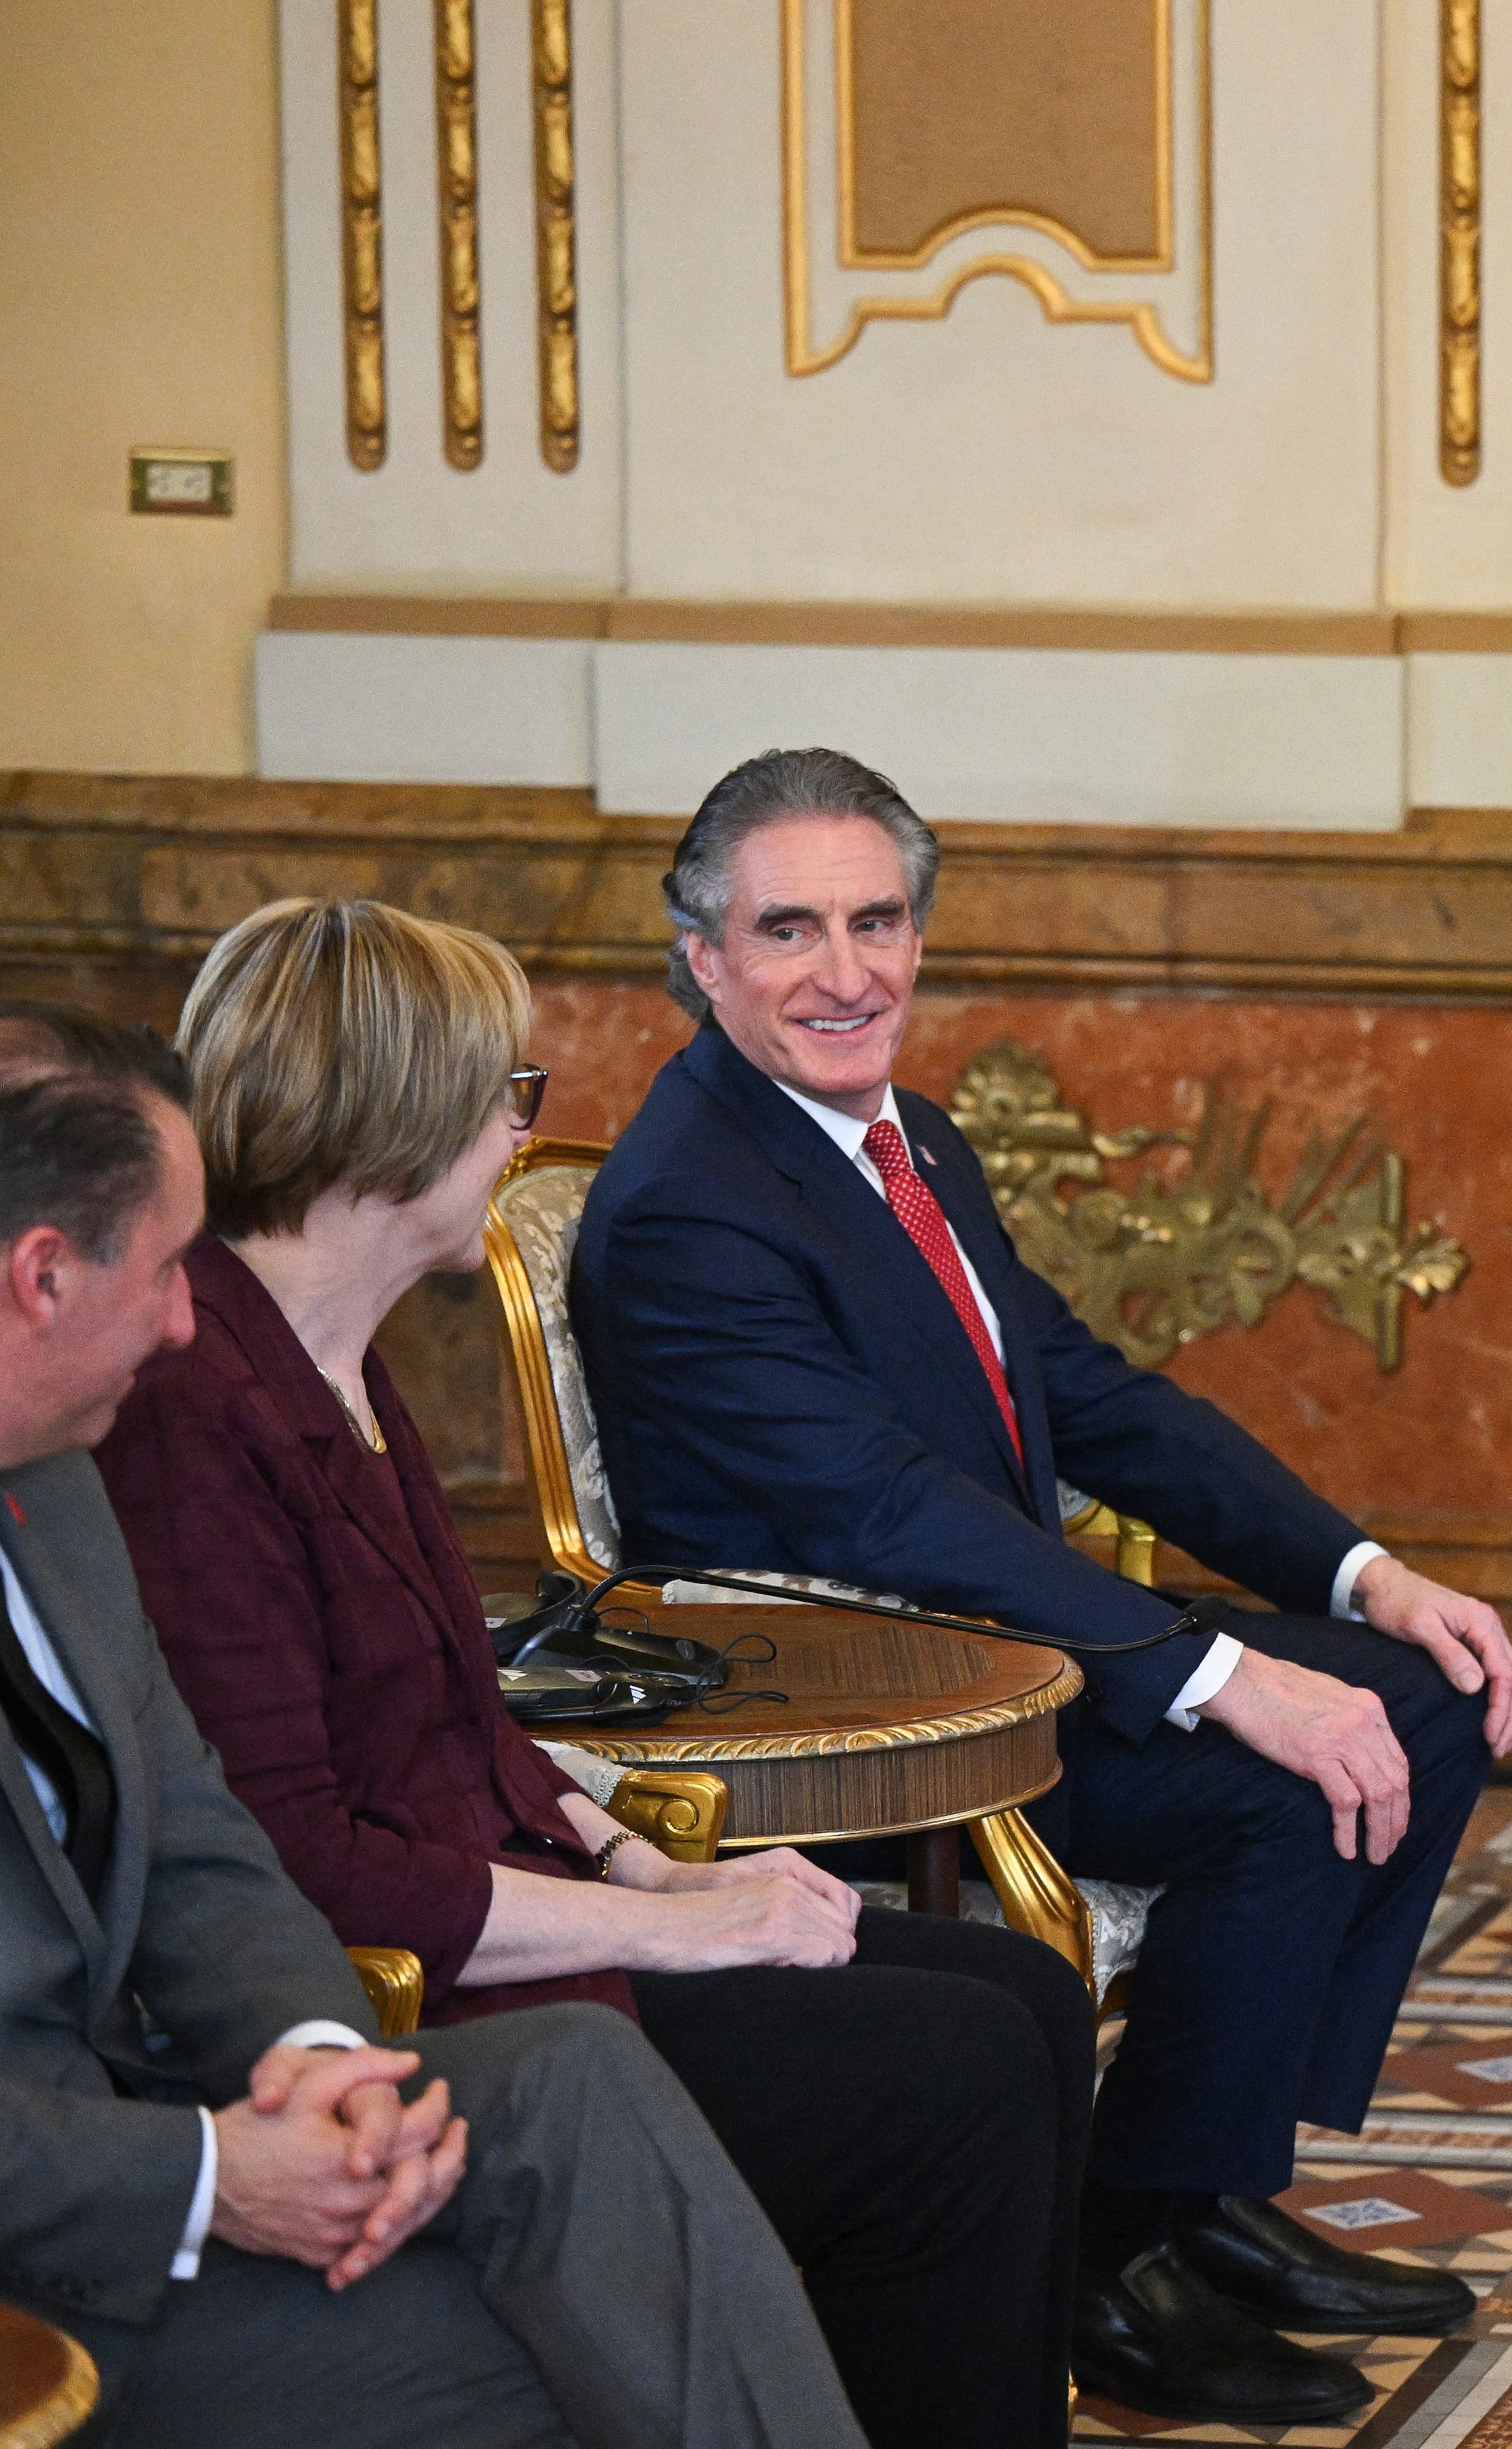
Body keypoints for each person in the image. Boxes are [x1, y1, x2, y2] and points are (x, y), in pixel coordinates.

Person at [569, 748, 1512, 2424]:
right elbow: (879, 1513)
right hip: (859, 1704)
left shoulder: (904, 1135)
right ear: (704, 957)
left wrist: (1364, 1576)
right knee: (1276, 1782)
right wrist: (1226, 1677)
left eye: (878, 921)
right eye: (788, 930)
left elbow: (1086, 1396)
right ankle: (1113, 2264)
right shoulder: (687, 1206)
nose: (845, 970)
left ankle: (1184, 2196)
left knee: (1427, 1694)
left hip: (997, 1646)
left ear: (923, 938)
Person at [85, 904, 1096, 2449]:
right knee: (946, 2080)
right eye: (506, 1093)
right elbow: (308, 1864)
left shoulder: (339, 1355)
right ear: (398, 1114)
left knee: (1020, 1994)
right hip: (432, 2004)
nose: (517, 1133)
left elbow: (472, 1731)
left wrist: (669, 1866)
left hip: (538, 1912)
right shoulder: (197, 1412)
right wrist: (669, 1929)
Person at [0, 1001, 869, 2449]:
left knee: (583, 2089)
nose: (184, 1318)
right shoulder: (136, 1438)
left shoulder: (57, 1478)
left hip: (140, 2136)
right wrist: (211, 2175)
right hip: (48, 2257)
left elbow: (204, 1840)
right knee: (588, 2349)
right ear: (39, 1276)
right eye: (161, 1271)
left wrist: (327, 2061)